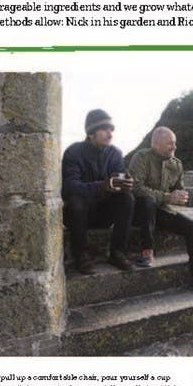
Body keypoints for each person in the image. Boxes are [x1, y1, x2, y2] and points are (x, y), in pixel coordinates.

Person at [127, 126, 193, 295]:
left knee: (192, 226)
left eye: (175, 143)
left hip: (160, 211)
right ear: (156, 144)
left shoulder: (176, 165)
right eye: (169, 143)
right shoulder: (141, 157)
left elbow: (178, 190)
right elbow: (136, 188)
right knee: (148, 202)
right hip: (138, 211)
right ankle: (147, 251)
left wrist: (181, 197)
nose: (174, 147)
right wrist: (168, 197)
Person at [61, 109, 136, 274]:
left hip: (102, 215)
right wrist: (101, 186)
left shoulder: (114, 153)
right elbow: (68, 187)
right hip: (77, 216)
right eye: (105, 129)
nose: (110, 134)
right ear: (91, 133)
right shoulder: (73, 152)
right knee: (76, 201)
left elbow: (119, 180)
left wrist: (126, 183)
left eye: (111, 129)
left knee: (127, 198)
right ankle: (81, 253)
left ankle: (117, 252)